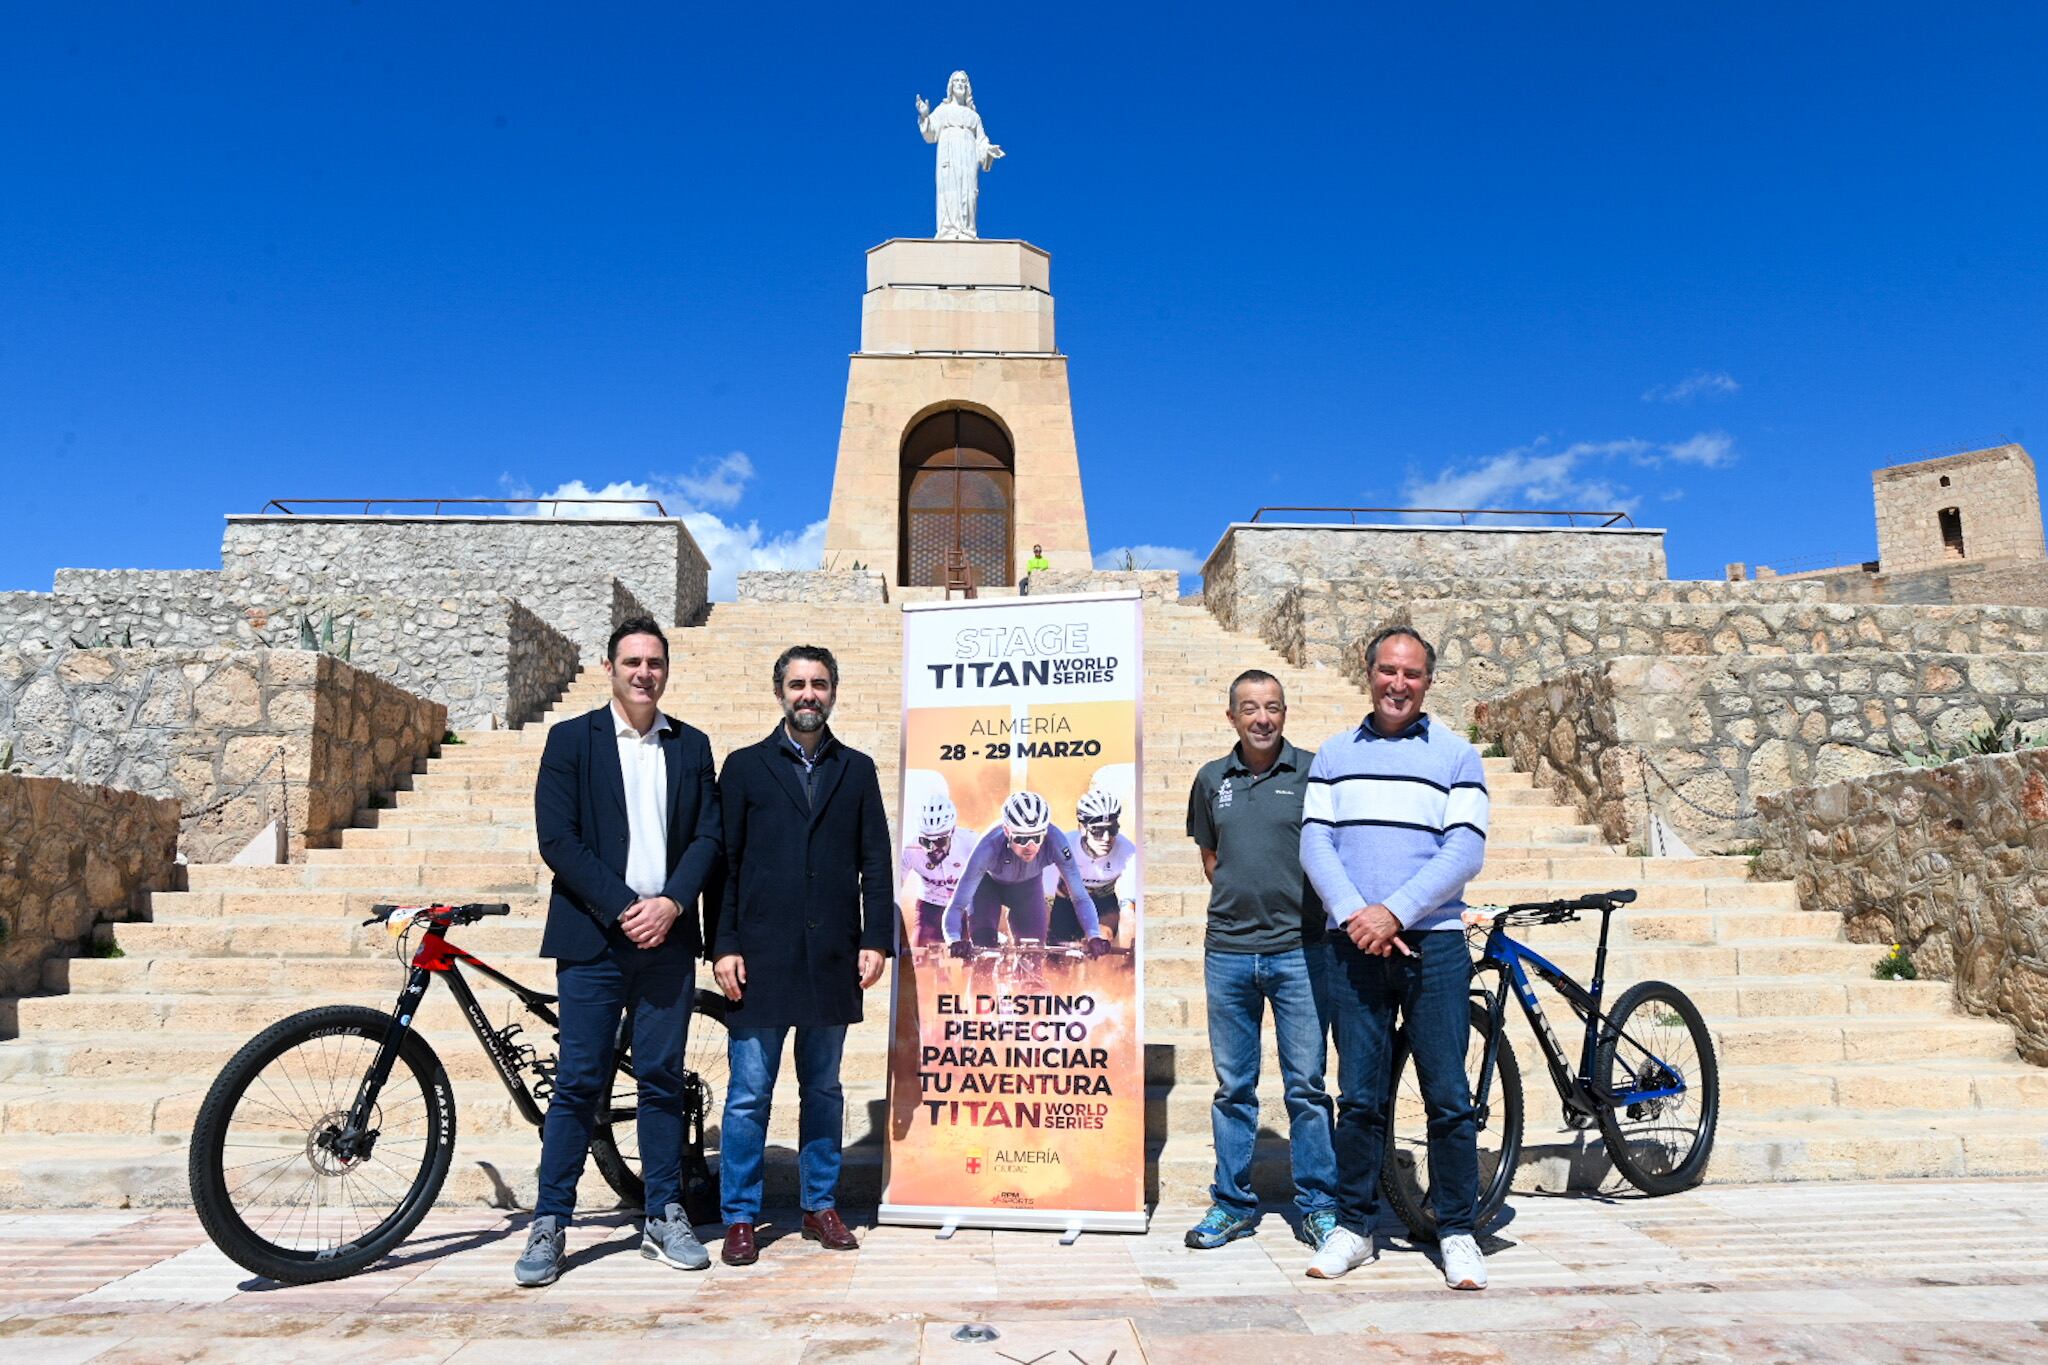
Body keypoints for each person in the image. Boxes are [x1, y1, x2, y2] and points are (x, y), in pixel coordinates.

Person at [518, 615, 721, 1288]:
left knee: (662, 1077)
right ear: (610, 667)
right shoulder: (571, 739)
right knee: (579, 1080)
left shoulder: (691, 746)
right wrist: (626, 906)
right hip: (594, 938)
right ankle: (551, 1219)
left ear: (666, 670)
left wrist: (670, 903)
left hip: (666, 940)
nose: (644, 672)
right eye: (632, 661)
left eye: (654, 662)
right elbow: (559, 838)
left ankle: (663, 1213)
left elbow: (707, 839)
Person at [1299, 627, 1490, 1290]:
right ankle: (1355, 1226)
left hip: (1432, 942)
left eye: (1411, 673)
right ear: (1368, 670)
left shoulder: (1458, 755)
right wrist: (1360, 914)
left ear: (1428, 681)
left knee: (1448, 1096)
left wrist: (1394, 912)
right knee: (1359, 1098)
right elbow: (1316, 845)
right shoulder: (1331, 755)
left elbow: (1464, 851)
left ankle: (1458, 1230)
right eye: (1387, 670)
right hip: (1354, 945)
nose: (1397, 684)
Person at [710, 644, 894, 1266]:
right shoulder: (743, 768)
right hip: (760, 957)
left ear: (834, 692)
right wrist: (724, 944)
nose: (808, 694)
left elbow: (876, 861)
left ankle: (820, 1204)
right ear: (779, 693)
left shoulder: (858, 769)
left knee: (823, 1089)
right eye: (797, 684)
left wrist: (875, 939)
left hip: (831, 958)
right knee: (748, 1092)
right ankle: (740, 1214)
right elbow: (725, 867)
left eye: (818, 684)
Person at [1183, 670, 1338, 1252]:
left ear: (1285, 711)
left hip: (1301, 952)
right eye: (1249, 708)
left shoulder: (1313, 771)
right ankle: (1232, 1205)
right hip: (1227, 954)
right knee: (1233, 1089)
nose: (1262, 718)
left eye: (1272, 706)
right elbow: (1211, 857)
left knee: (1307, 1087)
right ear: (1232, 717)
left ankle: (1320, 1206)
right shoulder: (1210, 779)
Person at [941, 791, 1112, 953]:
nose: (1030, 847)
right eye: (1022, 839)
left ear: (1045, 832)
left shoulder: (1056, 841)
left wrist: (1093, 935)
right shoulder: (988, 846)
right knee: (984, 952)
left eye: (1037, 838)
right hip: (987, 888)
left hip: (1027, 889)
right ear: (1007, 831)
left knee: (1033, 956)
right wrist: (954, 940)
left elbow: (1080, 896)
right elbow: (957, 904)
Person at [1045, 788, 1137, 946]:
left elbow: (1128, 910)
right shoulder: (1061, 847)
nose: (1107, 838)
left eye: (1112, 829)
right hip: (1066, 904)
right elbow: (1042, 900)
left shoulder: (1128, 852)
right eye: (1098, 831)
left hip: (1103, 905)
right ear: (1082, 829)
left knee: (1103, 935)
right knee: (1057, 944)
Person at [902, 796, 977, 947]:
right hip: (930, 906)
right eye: (925, 841)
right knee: (920, 958)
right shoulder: (909, 849)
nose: (932, 848)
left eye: (940, 841)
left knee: (971, 959)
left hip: (966, 908)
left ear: (952, 832)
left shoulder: (972, 842)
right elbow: (892, 890)